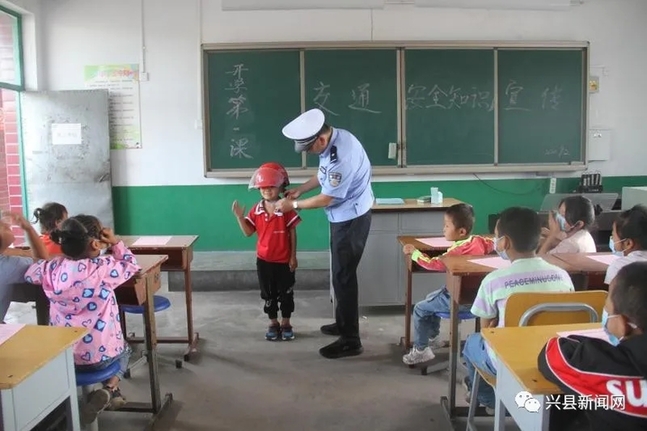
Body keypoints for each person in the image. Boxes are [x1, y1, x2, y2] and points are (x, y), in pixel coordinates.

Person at [275, 108, 373, 359]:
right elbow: (323, 175)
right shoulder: (333, 140)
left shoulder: (342, 156)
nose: (309, 153)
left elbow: (327, 198)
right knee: (340, 275)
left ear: (320, 138)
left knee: (343, 277)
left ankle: (351, 340)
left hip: (350, 219)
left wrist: (293, 204)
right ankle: (343, 323)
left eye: (309, 148)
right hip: (343, 216)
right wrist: (300, 189)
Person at [24, 215, 141, 425]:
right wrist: (115, 243)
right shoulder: (103, 268)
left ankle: (109, 394)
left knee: (109, 349)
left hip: (64, 358)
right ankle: (110, 388)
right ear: (96, 243)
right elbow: (131, 265)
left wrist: (53, 261)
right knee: (125, 350)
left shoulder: (52, 268)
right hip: (101, 358)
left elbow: (31, 274)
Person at [463, 207, 575, 413]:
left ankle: (489, 400)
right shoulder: (562, 276)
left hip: (509, 361)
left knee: (472, 342)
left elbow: (487, 331)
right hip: (554, 358)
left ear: (505, 242)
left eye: (496, 237)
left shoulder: (493, 280)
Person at [538, 261, 647, 431]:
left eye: (607, 308)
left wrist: (596, 347)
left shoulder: (604, 366)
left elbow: (552, 353)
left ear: (622, 324)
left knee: (559, 407)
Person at [401, 203, 494, 365]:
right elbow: (494, 243)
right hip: (478, 300)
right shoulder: (479, 241)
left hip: (457, 299)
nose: (443, 229)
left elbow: (432, 263)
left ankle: (421, 350)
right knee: (431, 298)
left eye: (447, 225)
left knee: (420, 309)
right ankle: (433, 338)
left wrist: (414, 252)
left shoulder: (454, 252)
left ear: (461, 232)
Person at [232, 162, 301, 341]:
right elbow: (248, 232)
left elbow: (292, 233)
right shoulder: (256, 210)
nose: (267, 191)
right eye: (263, 187)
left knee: (286, 293)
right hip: (264, 261)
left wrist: (293, 256)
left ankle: (286, 323)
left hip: (284, 261)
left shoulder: (285, 208)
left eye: (271, 187)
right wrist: (240, 218)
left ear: (281, 187)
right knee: (268, 294)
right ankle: (273, 323)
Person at [0, 212, 49, 323]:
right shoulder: (9, 265)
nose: (6, 224)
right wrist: (28, 229)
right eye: (3, 226)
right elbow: (42, 261)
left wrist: (17, 252)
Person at [605, 204, 647, 285]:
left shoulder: (619, 267)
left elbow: (612, 292)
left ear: (628, 243)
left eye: (613, 235)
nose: (612, 239)